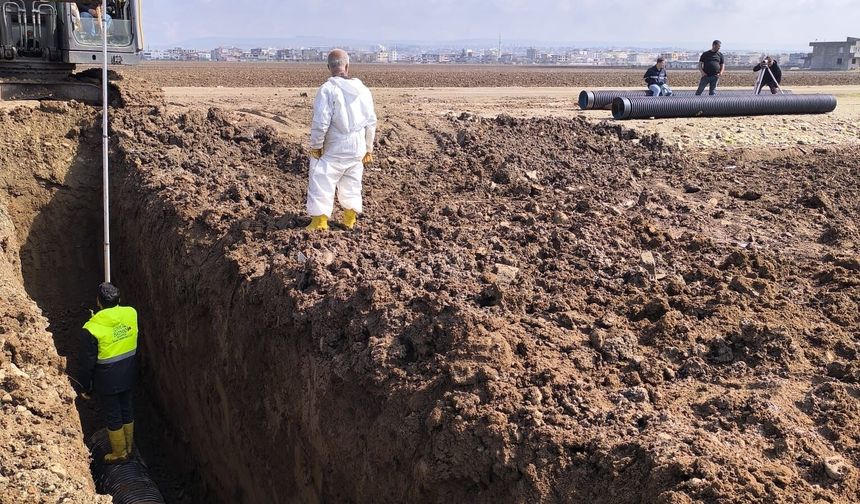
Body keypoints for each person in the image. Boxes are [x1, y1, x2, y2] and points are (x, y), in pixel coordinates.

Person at [306, 48, 377, 231]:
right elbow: (371, 122)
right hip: (357, 147)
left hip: (334, 147)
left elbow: (321, 122)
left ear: (328, 67)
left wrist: (316, 146)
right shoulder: (363, 90)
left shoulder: (328, 90)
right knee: (352, 182)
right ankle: (349, 219)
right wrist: (368, 148)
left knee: (322, 180)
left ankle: (320, 221)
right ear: (347, 66)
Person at [78, 283, 138, 463]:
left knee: (113, 414)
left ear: (98, 301)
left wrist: (85, 387)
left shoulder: (92, 327)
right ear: (118, 299)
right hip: (128, 372)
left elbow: (86, 363)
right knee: (126, 408)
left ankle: (119, 454)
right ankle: (129, 447)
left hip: (107, 379)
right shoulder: (131, 313)